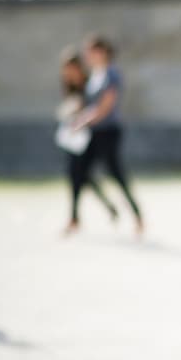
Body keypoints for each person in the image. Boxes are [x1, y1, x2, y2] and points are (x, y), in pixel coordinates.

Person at [72, 35, 144, 236]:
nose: (87, 56)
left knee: (116, 174)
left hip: (108, 131)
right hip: (93, 131)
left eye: (91, 52)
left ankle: (137, 216)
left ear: (102, 52)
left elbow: (105, 106)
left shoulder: (111, 74)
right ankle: (75, 218)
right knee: (79, 172)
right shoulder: (96, 74)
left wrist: (83, 121)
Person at [55, 48, 119, 234]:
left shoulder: (88, 83)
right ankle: (80, 216)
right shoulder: (68, 84)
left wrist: (80, 112)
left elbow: (94, 106)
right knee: (78, 176)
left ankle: (78, 217)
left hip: (88, 135)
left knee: (82, 175)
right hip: (74, 135)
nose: (68, 72)